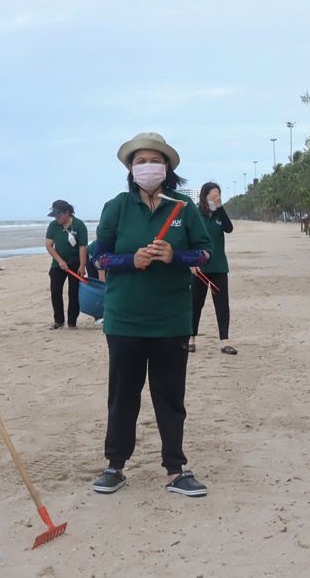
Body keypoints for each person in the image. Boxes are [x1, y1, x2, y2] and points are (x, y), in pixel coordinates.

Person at [90, 132, 213, 497]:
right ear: (130, 168)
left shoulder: (183, 207)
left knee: (170, 395)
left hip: (171, 318)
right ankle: (115, 466)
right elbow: (99, 257)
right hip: (124, 318)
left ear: (167, 167)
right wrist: (132, 260)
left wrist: (175, 256)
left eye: (154, 161)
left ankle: (175, 469)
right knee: (123, 394)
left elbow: (204, 253)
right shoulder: (117, 206)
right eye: (140, 161)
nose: (147, 167)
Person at [189, 182, 236, 355]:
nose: (215, 197)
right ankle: (191, 339)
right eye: (212, 194)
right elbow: (188, 239)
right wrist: (191, 262)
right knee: (195, 304)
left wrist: (220, 207)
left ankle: (225, 342)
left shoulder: (219, 215)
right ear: (204, 195)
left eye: (218, 194)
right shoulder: (196, 215)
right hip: (199, 269)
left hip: (219, 267)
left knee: (222, 305)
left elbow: (229, 229)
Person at [45, 200, 88, 330]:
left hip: (75, 263)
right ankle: (59, 321)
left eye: (59, 215)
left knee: (73, 292)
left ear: (67, 212)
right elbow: (49, 245)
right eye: (55, 216)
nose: (57, 218)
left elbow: (82, 246)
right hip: (58, 263)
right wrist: (60, 261)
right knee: (55, 291)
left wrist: (82, 265)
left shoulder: (79, 225)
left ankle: (72, 322)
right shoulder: (53, 226)